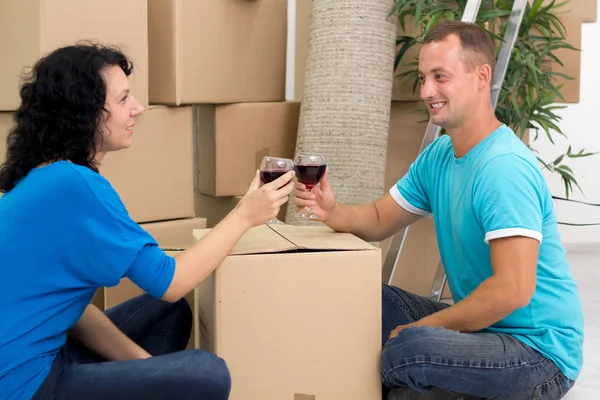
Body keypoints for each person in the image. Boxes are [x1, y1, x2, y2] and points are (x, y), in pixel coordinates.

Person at [293, 21, 583, 400]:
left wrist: (428, 329)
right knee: (364, 299)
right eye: (424, 77)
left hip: (538, 356)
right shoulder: (440, 155)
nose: (428, 91)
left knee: (411, 350)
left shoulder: (503, 168)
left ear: (481, 77)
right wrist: (331, 210)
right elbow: (381, 219)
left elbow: (513, 291)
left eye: (441, 77)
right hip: (483, 334)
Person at [0, 43, 295, 400]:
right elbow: (171, 281)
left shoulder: (45, 177)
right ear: (86, 112)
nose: (138, 108)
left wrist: (144, 369)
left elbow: (73, 311)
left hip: (45, 354)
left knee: (168, 313)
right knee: (208, 373)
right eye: (124, 99)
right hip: (26, 386)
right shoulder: (75, 187)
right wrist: (245, 214)